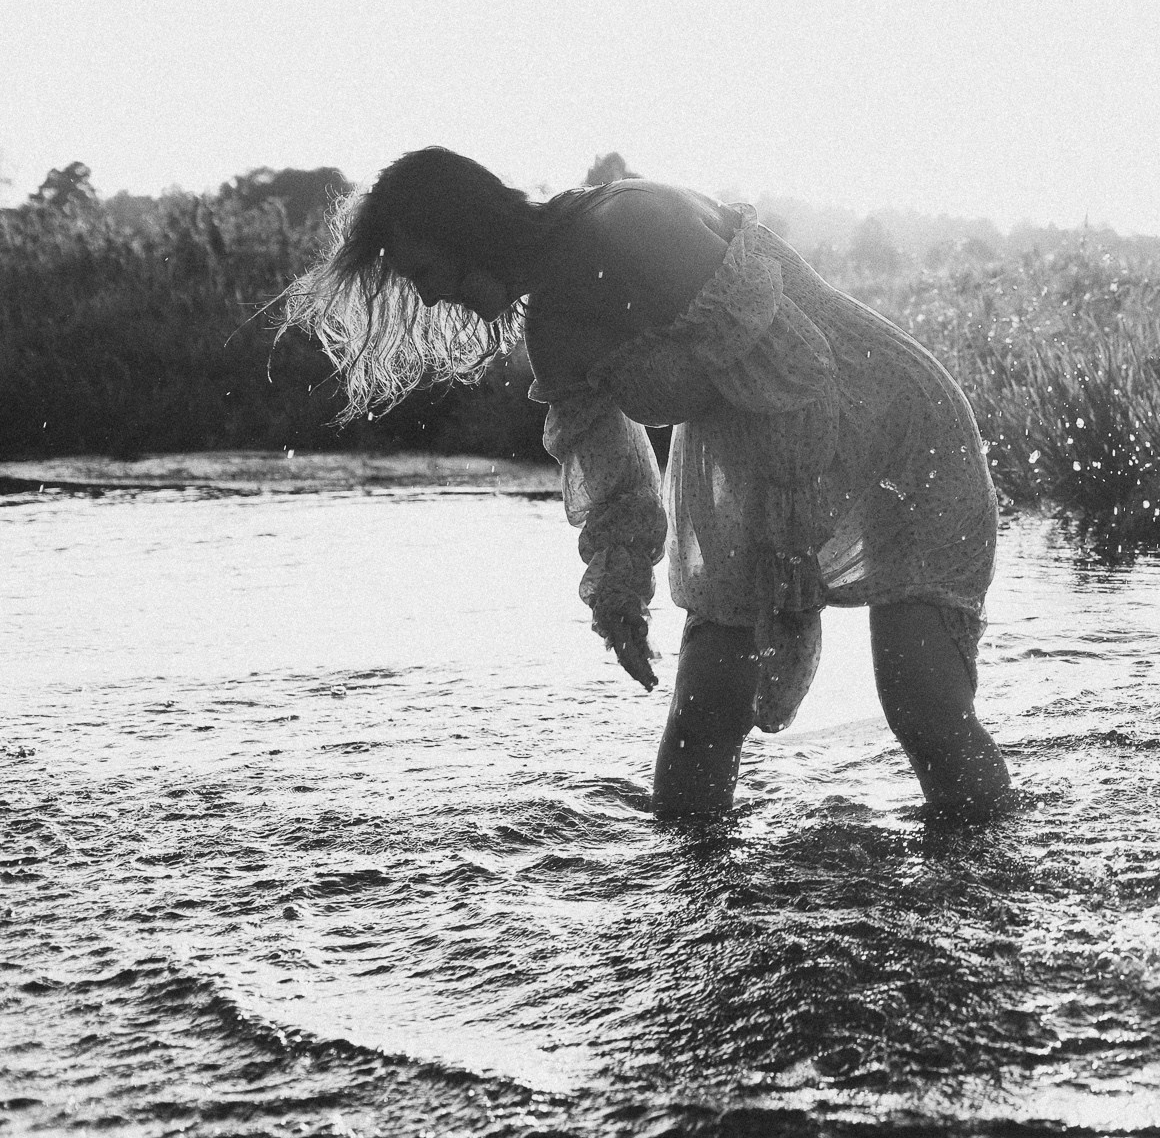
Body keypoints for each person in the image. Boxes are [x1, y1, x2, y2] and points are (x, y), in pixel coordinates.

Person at [283, 148, 1012, 820]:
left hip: (889, 425)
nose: (435, 297)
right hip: (749, 457)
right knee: (698, 734)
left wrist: (789, 553)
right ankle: (696, 934)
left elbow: (794, 370)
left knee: (923, 711)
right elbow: (616, 476)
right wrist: (620, 595)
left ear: (462, 228)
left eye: (425, 271)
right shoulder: (553, 333)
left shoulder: (630, 224)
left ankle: (990, 893)